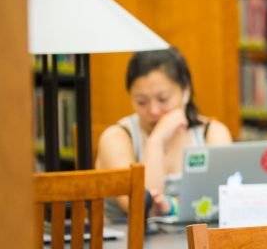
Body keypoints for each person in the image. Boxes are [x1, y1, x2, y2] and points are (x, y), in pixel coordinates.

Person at [96, 48, 232, 218]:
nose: (153, 110)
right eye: (141, 101)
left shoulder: (212, 133)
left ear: (185, 91)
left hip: (193, 243)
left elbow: (224, 202)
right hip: (128, 243)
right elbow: (140, 207)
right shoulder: (117, 137)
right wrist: (156, 141)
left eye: (163, 99)